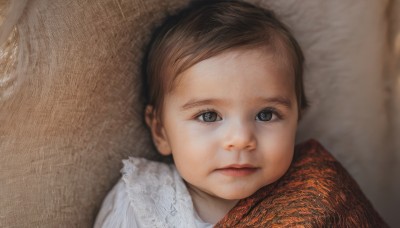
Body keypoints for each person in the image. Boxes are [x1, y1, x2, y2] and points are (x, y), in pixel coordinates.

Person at [94, 1, 386, 227]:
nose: (241, 139)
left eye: (266, 115)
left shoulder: (321, 192)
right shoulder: (143, 200)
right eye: (209, 116)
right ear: (160, 131)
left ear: (297, 119)